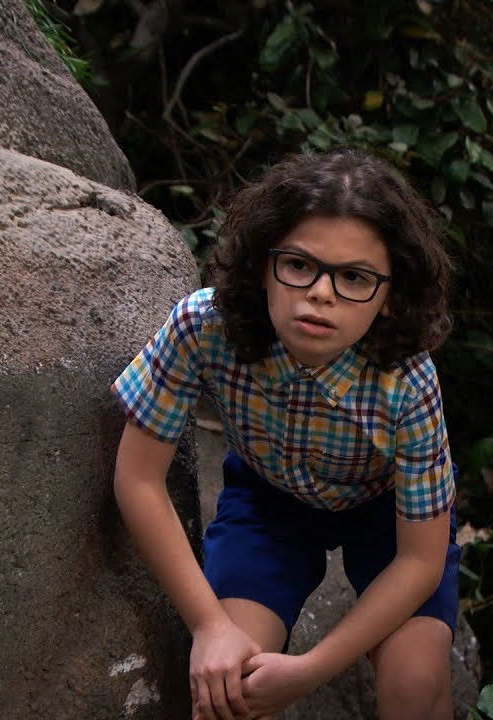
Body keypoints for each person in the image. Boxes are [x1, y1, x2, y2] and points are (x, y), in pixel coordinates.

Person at [111, 149, 459, 720]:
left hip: (385, 510)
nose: (321, 292)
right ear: (261, 264)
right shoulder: (203, 325)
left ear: (391, 295)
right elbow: (138, 479)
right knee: (228, 689)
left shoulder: (408, 378)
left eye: (354, 277)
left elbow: (419, 561)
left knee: (415, 683)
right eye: (298, 264)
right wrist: (210, 626)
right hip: (268, 500)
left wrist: (310, 669)